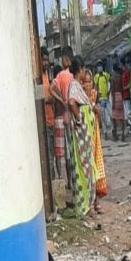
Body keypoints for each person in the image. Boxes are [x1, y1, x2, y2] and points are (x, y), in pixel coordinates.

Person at [67, 57, 97, 218]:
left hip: (85, 136)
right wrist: (79, 119)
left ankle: (88, 205)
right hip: (81, 136)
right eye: (84, 69)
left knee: (88, 168)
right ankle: (84, 206)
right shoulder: (74, 86)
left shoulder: (77, 86)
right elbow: (72, 102)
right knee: (83, 169)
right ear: (81, 69)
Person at [50, 46, 75, 196]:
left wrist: (61, 100)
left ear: (65, 59)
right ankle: (73, 181)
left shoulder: (61, 75)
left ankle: (64, 181)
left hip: (61, 116)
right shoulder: (74, 74)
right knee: (72, 152)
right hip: (73, 117)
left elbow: (51, 89)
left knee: (62, 154)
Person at [84, 69, 108, 206]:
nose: (87, 85)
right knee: (89, 166)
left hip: (95, 132)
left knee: (97, 165)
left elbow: (98, 110)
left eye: (89, 82)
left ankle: (97, 199)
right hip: (86, 133)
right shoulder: (82, 97)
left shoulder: (94, 94)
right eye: (85, 82)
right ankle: (91, 200)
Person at [41, 48, 57, 180]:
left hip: (51, 119)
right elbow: (39, 99)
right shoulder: (39, 77)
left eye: (47, 60)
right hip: (45, 121)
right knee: (49, 156)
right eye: (44, 60)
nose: (46, 63)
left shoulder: (47, 75)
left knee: (53, 154)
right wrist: (48, 100)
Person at [94, 62, 111, 139]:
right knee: (103, 117)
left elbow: (110, 82)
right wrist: (97, 96)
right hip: (101, 100)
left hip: (106, 98)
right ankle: (105, 132)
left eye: (100, 66)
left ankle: (112, 129)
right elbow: (95, 87)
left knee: (110, 114)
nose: (99, 67)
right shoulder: (96, 77)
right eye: (98, 66)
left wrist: (109, 91)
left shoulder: (106, 75)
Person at [111, 64, 126, 141]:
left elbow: (112, 90)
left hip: (115, 97)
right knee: (122, 117)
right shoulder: (120, 76)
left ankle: (116, 136)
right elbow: (122, 88)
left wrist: (113, 102)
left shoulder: (112, 77)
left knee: (114, 117)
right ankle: (123, 135)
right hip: (120, 96)